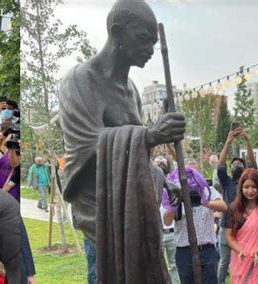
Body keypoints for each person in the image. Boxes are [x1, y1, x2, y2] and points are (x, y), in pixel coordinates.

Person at [58, 1, 186, 282]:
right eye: (143, 39)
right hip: (99, 213)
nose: (150, 50)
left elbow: (134, 154)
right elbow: (86, 145)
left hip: (134, 211)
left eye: (153, 43)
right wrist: (150, 135)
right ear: (116, 33)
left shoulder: (132, 91)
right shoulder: (80, 81)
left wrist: (162, 179)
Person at [163, 167, 227, 284]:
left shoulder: (208, 190)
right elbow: (166, 221)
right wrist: (175, 204)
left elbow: (223, 206)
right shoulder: (177, 192)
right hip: (184, 251)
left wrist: (203, 201)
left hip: (207, 250)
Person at [217, 127, 257, 284]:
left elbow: (253, 165)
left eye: (239, 162)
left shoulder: (249, 184)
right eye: (233, 163)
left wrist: (247, 140)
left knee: (246, 259)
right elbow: (220, 166)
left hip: (245, 229)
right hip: (226, 227)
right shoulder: (227, 182)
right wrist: (228, 142)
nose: (235, 164)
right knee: (224, 262)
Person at [225, 168, 258, 283]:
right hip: (240, 258)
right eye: (246, 187)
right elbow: (229, 237)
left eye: (254, 186)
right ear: (241, 188)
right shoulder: (233, 208)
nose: (250, 191)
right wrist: (240, 250)